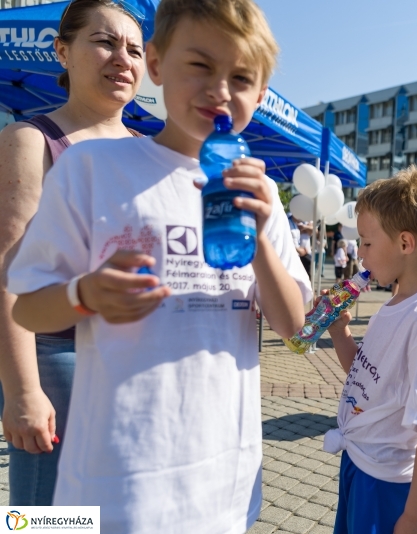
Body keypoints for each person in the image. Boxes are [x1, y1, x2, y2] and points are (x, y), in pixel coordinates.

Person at [7, 1, 311, 531]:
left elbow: (292, 326)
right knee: (37, 518)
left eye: (241, 76)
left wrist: (261, 234)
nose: (219, 90)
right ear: (157, 65)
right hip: (118, 478)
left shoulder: (261, 191)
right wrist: (85, 294)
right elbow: (28, 304)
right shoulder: (89, 167)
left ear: (260, 95)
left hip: (224, 479)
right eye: (199, 65)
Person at [0, 0, 147, 506]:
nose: (122, 59)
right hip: (60, 360)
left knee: (122, 511)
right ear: (62, 51)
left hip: (143, 362)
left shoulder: (155, 152)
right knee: (50, 517)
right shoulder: (31, 139)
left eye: (134, 49)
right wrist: (22, 391)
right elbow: (8, 270)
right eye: (104, 42)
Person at [322, 166, 417, 533]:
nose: (360, 254)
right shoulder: (394, 305)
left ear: (404, 243)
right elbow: (367, 377)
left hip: (384, 483)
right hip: (358, 461)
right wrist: (340, 332)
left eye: (367, 243)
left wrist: (416, 517)